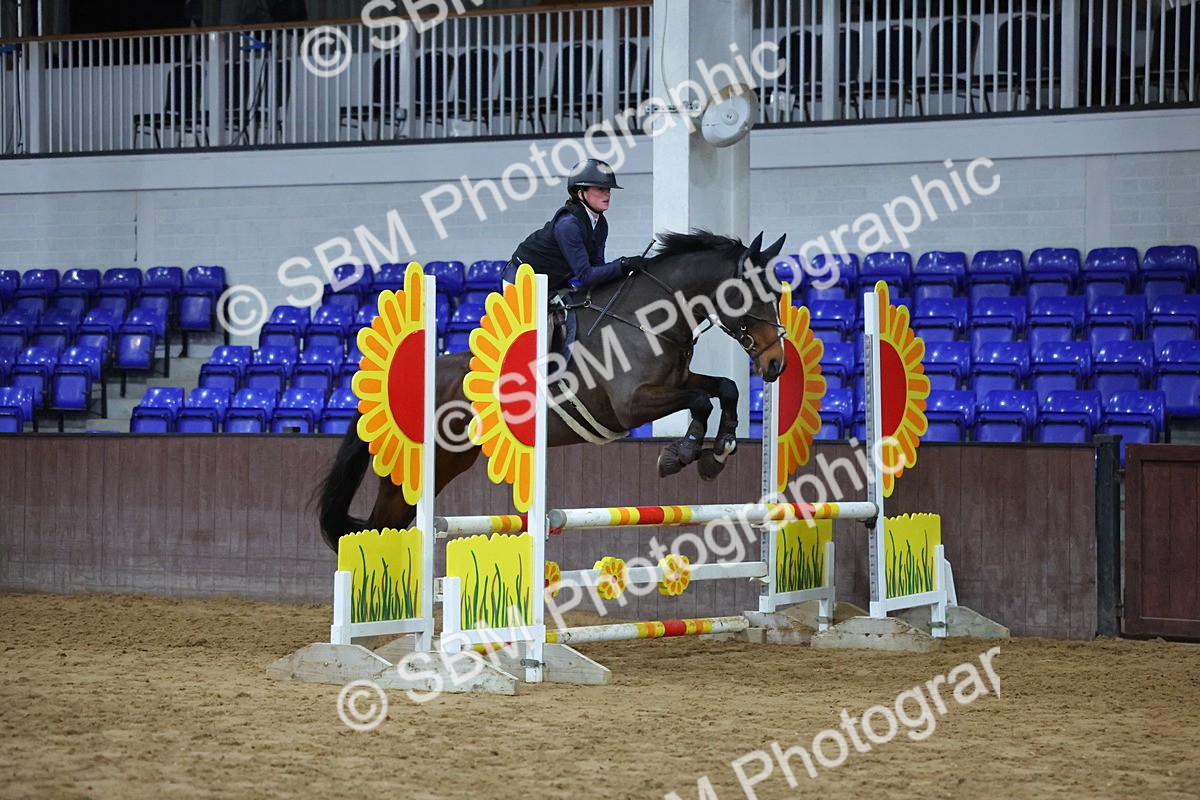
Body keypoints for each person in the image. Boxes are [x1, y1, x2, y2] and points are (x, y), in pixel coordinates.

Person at [504, 158, 647, 293]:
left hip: (552, 280)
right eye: (600, 189)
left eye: (608, 189)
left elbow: (597, 267)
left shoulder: (601, 224)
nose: (607, 194)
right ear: (581, 194)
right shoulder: (568, 225)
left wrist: (626, 267)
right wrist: (623, 264)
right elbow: (586, 276)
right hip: (521, 278)